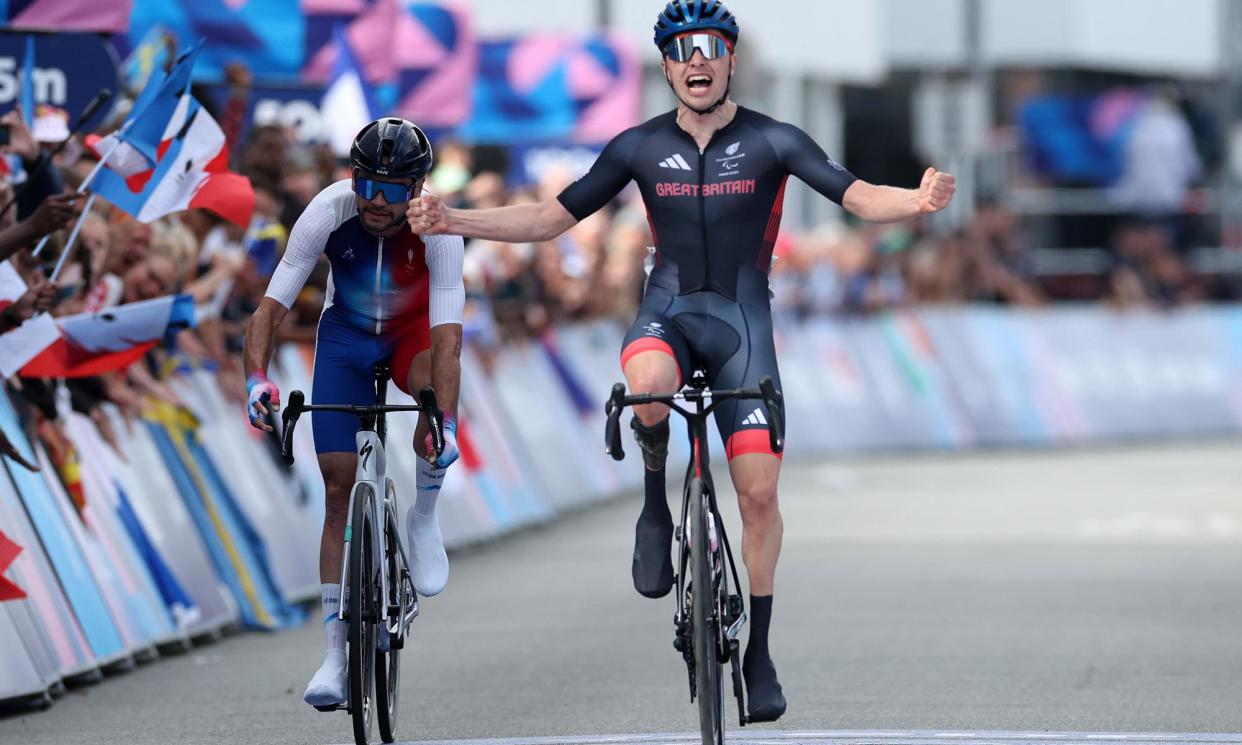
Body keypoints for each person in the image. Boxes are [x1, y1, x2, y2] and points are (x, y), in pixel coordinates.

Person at [408, 0, 956, 722]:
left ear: (731, 58)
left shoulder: (774, 140)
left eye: (710, 48)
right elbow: (549, 219)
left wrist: (916, 202)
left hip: (741, 329)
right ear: (665, 65)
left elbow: (856, 197)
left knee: (759, 498)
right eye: (681, 50)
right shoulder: (636, 146)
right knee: (648, 387)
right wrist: (454, 219)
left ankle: (758, 652)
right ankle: (653, 500)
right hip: (666, 315)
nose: (696, 62)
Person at [242, 118, 466, 708]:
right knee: (338, 488)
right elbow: (269, 308)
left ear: (418, 190)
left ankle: (423, 514)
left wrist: (444, 418)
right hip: (344, 337)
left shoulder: (439, 231)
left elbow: (447, 338)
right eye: (366, 184)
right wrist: (256, 378)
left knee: (429, 400)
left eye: (393, 191)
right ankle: (334, 657)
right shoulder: (327, 209)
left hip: (411, 335)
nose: (375, 202)